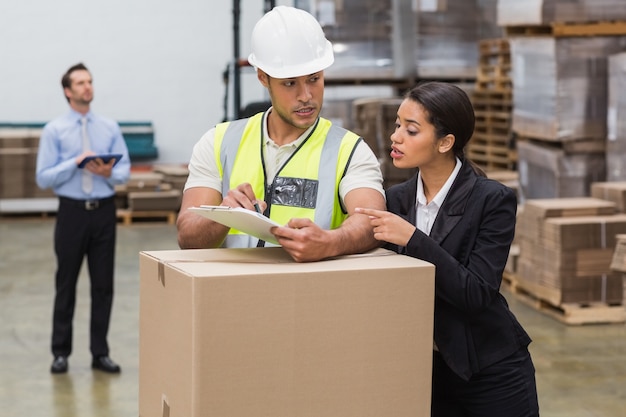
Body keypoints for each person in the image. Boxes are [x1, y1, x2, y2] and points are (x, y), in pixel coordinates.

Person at [356, 82, 539, 416]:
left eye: (411, 130)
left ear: (445, 142)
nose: (395, 137)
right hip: (428, 371)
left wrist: (413, 239)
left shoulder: (492, 200)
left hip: (490, 369)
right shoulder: (394, 201)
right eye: (397, 125)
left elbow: (477, 293)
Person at [176, 6, 385, 262]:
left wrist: (330, 242)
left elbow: (372, 220)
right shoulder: (219, 142)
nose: (306, 96)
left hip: (312, 295)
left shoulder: (349, 150)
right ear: (263, 78)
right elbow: (187, 236)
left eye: (314, 79)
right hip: (233, 293)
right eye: (289, 83)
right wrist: (223, 215)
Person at [36, 63, 131, 374]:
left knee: (103, 285)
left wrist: (108, 173)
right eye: (80, 83)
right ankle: (60, 352)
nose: (87, 87)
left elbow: (124, 171)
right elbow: (43, 178)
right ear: (68, 91)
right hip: (72, 213)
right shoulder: (54, 131)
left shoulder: (109, 128)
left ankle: (99, 353)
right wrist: (74, 163)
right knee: (66, 283)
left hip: (103, 212)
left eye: (89, 81)